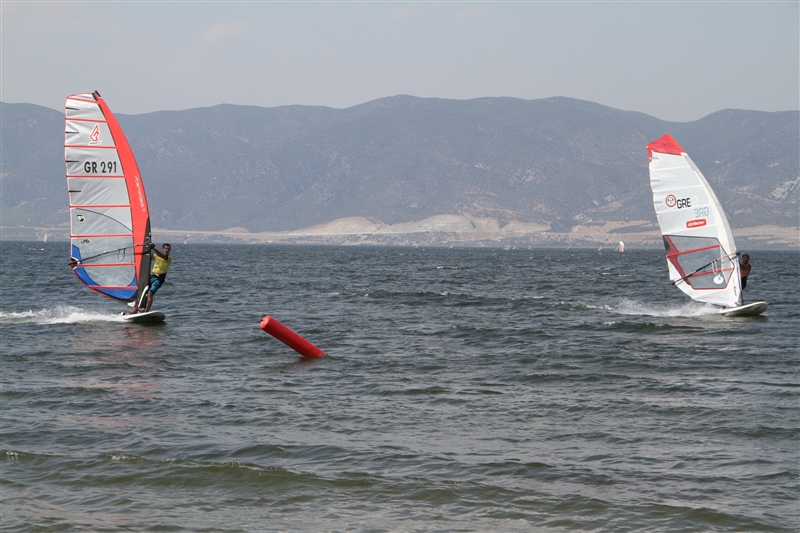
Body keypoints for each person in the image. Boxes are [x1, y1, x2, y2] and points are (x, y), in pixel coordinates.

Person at [132, 243, 172, 313]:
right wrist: (146, 250)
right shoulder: (156, 255)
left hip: (158, 279)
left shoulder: (168, 258)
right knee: (140, 293)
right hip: (151, 277)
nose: (167, 250)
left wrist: (153, 249)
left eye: (168, 249)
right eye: (166, 248)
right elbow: (147, 258)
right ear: (163, 249)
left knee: (150, 294)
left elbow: (162, 256)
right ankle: (135, 310)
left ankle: (146, 311)